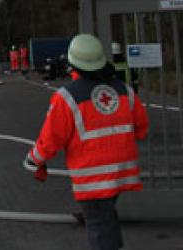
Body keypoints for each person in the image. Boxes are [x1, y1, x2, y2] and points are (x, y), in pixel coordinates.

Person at [27, 34, 149, 250]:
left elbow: (51, 138)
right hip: (121, 171)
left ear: (72, 62)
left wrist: (34, 159)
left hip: (93, 176)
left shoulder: (67, 97)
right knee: (105, 216)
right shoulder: (124, 90)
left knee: (99, 225)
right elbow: (141, 128)